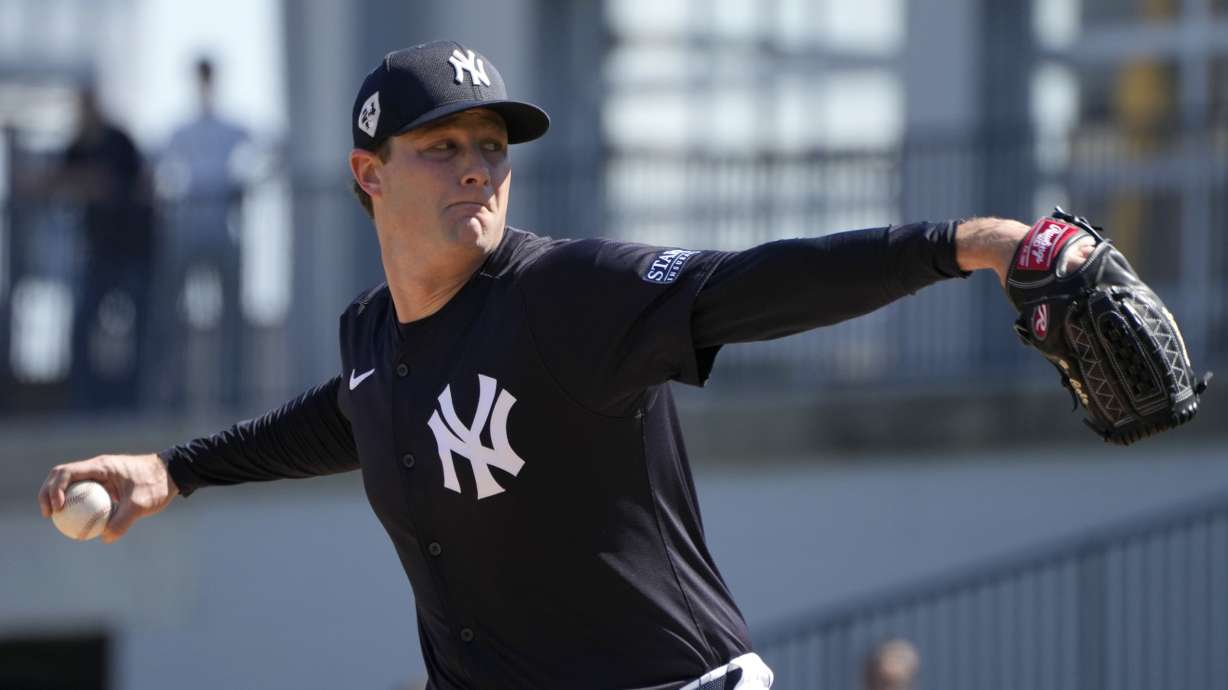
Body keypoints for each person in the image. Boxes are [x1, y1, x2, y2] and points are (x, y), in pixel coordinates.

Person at [37, 41, 1093, 689]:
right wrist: (176, 470)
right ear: (368, 175)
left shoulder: (566, 295)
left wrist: (965, 244)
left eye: (490, 146)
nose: (476, 170)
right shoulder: (373, 341)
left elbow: (749, 284)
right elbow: (349, 414)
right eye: (440, 148)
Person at [155, 57, 251, 408]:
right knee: (173, 314)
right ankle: (174, 394)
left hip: (221, 230)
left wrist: (246, 184)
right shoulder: (183, 131)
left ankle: (231, 394)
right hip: (188, 230)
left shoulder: (230, 127)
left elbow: (273, 149)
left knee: (231, 319)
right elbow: (156, 164)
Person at [53, 87, 152, 409]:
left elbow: (139, 183)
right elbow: (59, 182)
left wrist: (106, 187)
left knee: (140, 327)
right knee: (83, 324)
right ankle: (84, 399)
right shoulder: (77, 146)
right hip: (97, 253)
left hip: (133, 249)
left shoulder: (119, 141)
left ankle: (135, 399)